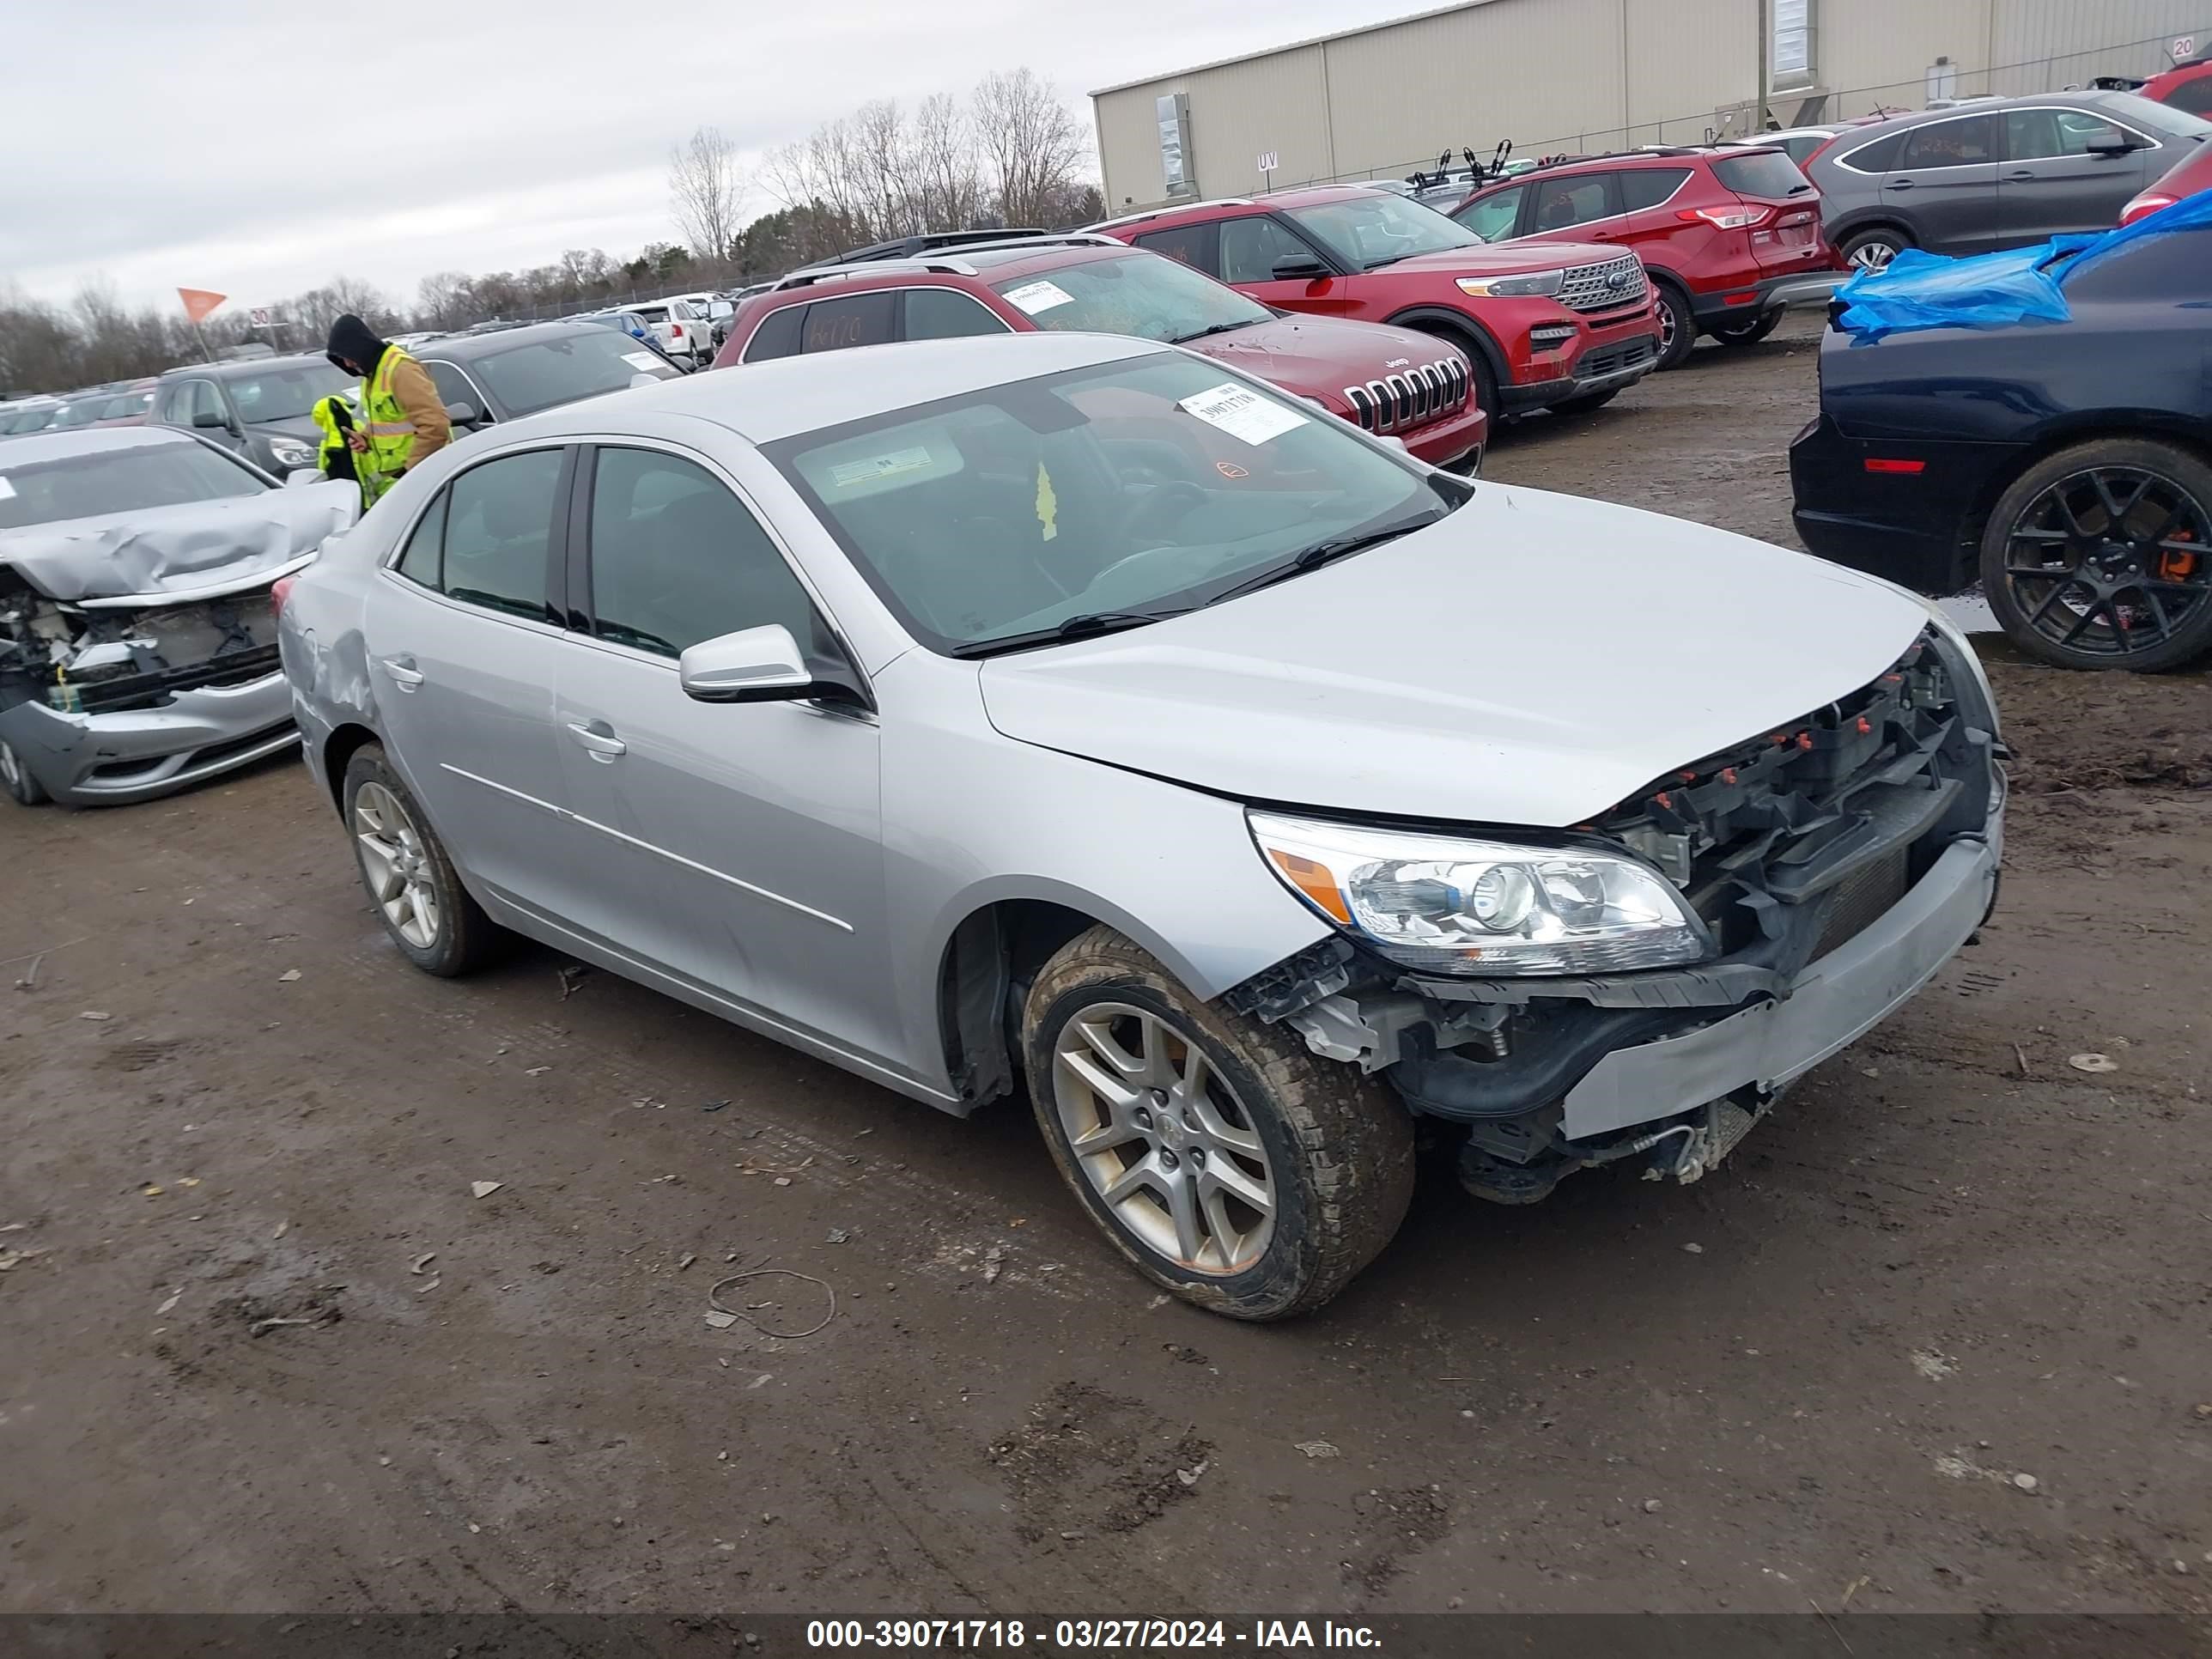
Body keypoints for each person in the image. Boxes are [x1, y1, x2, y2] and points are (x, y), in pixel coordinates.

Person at [324, 313, 449, 507]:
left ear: (359, 347)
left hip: (423, 481)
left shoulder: (401, 370)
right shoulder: (372, 375)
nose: (347, 364)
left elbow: (435, 425)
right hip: (399, 483)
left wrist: (410, 471)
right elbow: (389, 423)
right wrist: (365, 438)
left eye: (347, 357)